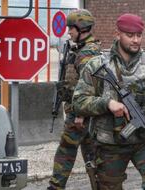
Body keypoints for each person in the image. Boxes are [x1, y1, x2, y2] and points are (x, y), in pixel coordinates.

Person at [72, 13, 145, 190]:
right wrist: (107, 104)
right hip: (109, 144)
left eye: (139, 35)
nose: (136, 40)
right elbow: (78, 101)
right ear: (118, 35)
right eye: (130, 35)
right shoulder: (96, 65)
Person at [48, 9, 101, 190]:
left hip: (81, 113)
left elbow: (91, 86)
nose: (69, 32)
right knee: (91, 155)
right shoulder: (82, 49)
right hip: (83, 112)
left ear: (82, 28)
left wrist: (80, 114)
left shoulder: (87, 53)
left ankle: (55, 186)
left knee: (66, 150)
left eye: (71, 28)